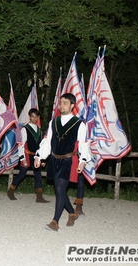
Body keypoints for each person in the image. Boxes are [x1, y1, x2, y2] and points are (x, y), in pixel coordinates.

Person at [34, 93, 90, 232]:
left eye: (65, 103)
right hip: (54, 159)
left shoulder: (79, 124)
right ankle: (71, 212)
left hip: (68, 160)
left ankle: (55, 221)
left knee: (60, 189)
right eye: (61, 102)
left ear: (72, 105)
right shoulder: (53, 122)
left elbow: (83, 144)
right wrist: (39, 156)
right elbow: (48, 141)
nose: (62, 105)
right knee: (60, 190)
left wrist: (83, 161)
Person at [7, 108, 49, 203]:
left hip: (36, 156)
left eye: (36, 116)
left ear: (38, 117)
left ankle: (39, 196)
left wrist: (42, 159)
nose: (34, 118)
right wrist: (23, 158)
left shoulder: (39, 130)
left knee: (38, 174)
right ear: (30, 116)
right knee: (22, 174)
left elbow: (41, 145)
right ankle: (11, 190)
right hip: (27, 155)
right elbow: (21, 144)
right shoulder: (25, 129)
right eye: (32, 116)